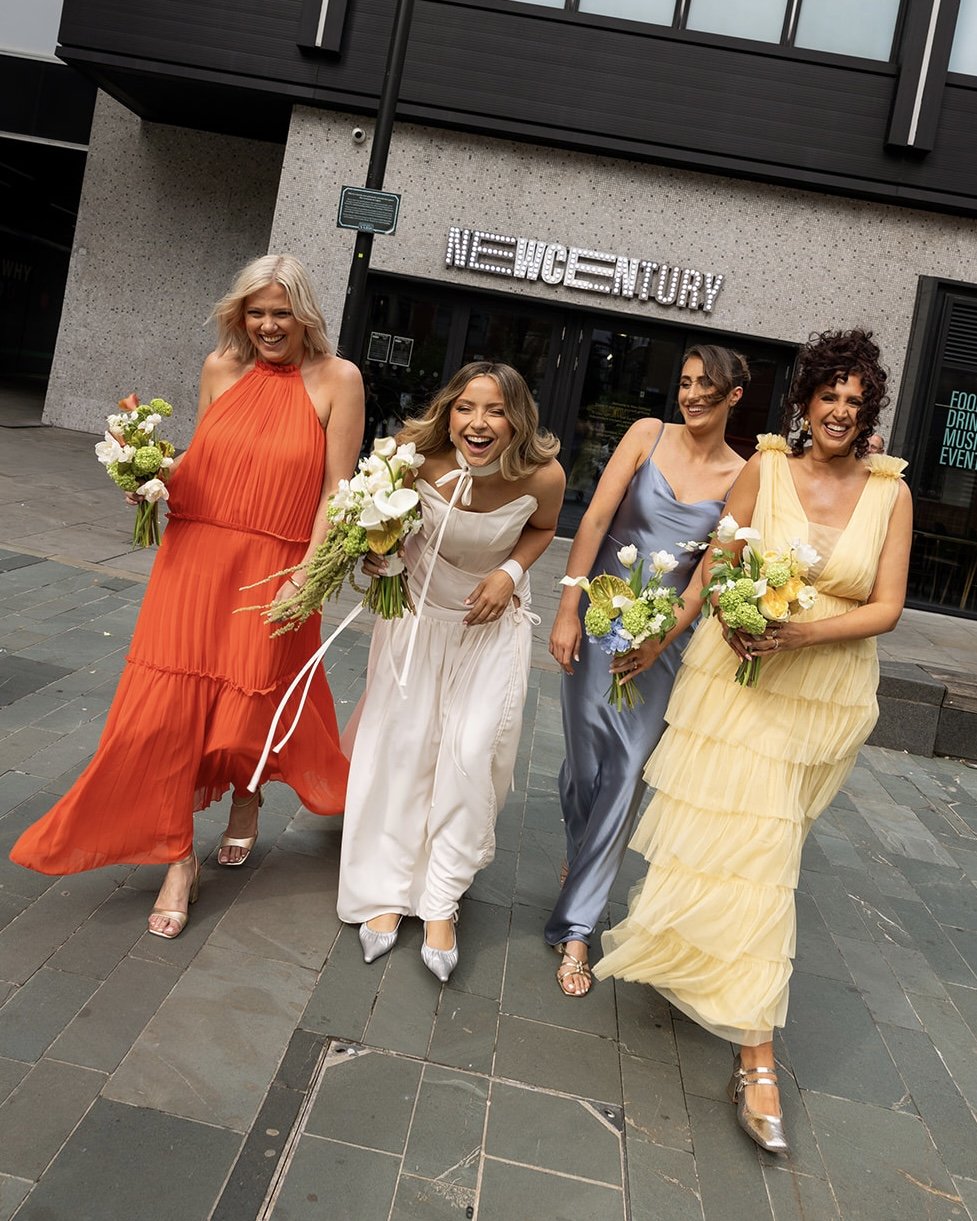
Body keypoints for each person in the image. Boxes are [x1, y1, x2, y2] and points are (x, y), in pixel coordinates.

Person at [594, 329, 912, 1154]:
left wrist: (801, 636)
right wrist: (662, 638)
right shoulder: (764, 470)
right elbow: (711, 564)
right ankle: (756, 1058)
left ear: (866, 411)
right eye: (827, 396)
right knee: (762, 863)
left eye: (854, 400)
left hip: (820, 693)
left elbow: (886, 608)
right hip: (734, 684)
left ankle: (697, 955)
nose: (839, 411)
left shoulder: (891, 493)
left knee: (753, 848)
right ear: (804, 403)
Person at [11, 254, 364, 938]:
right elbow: (206, 461)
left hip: (275, 563)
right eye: (255, 311)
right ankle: (177, 857)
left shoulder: (337, 380)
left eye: (280, 312)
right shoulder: (218, 369)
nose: (267, 324)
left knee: (249, 698)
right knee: (165, 714)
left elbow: (336, 489)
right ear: (240, 315)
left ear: (305, 316)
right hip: (196, 555)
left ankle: (247, 793)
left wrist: (307, 570)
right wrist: (147, 471)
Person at [337, 361, 565, 981]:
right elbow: (382, 525)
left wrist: (509, 574)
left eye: (495, 411)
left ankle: (440, 900)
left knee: (467, 753)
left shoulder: (544, 476)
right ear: (449, 412)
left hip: (488, 629)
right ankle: (385, 891)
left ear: (517, 420)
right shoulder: (416, 457)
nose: (479, 423)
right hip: (416, 619)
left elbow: (543, 529)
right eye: (467, 408)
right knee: (405, 750)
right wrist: (379, 554)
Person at [546, 347, 748, 997]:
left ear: (733, 397)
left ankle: (576, 929)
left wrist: (663, 639)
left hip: (662, 644)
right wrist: (568, 608)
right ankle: (583, 858)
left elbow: (710, 573)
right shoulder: (644, 434)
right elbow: (596, 519)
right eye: (684, 382)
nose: (689, 395)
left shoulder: (744, 475)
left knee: (626, 774)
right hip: (598, 620)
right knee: (582, 768)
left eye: (705, 387)